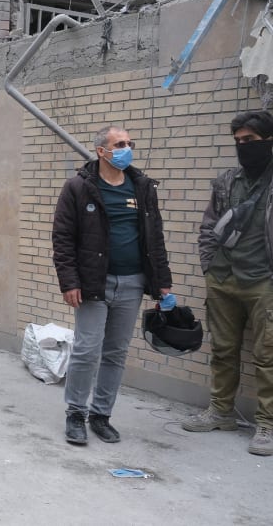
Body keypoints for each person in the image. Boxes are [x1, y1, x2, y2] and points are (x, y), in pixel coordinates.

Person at [52, 126, 172, 446]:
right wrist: (70, 281)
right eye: (119, 144)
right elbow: (63, 240)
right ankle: (76, 413)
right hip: (94, 282)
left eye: (130, 143)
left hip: (132, 283)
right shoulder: (79, 187)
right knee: (87, 350)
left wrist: (163, 284)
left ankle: (101, 415)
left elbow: (155, 238)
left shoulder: (142, 186)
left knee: (115, 353)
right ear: (101, 151)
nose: (126, 148)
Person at [182, 111, 273, 456]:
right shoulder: (227, 181)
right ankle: (221, 412)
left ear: (268, 141)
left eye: (248, 140)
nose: (242, 147)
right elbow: (209, 226)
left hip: (263, 282)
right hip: (222, 279)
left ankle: (267, 424)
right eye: (237, 141)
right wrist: (208, 265)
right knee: (222, 350)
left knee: (267, 357)